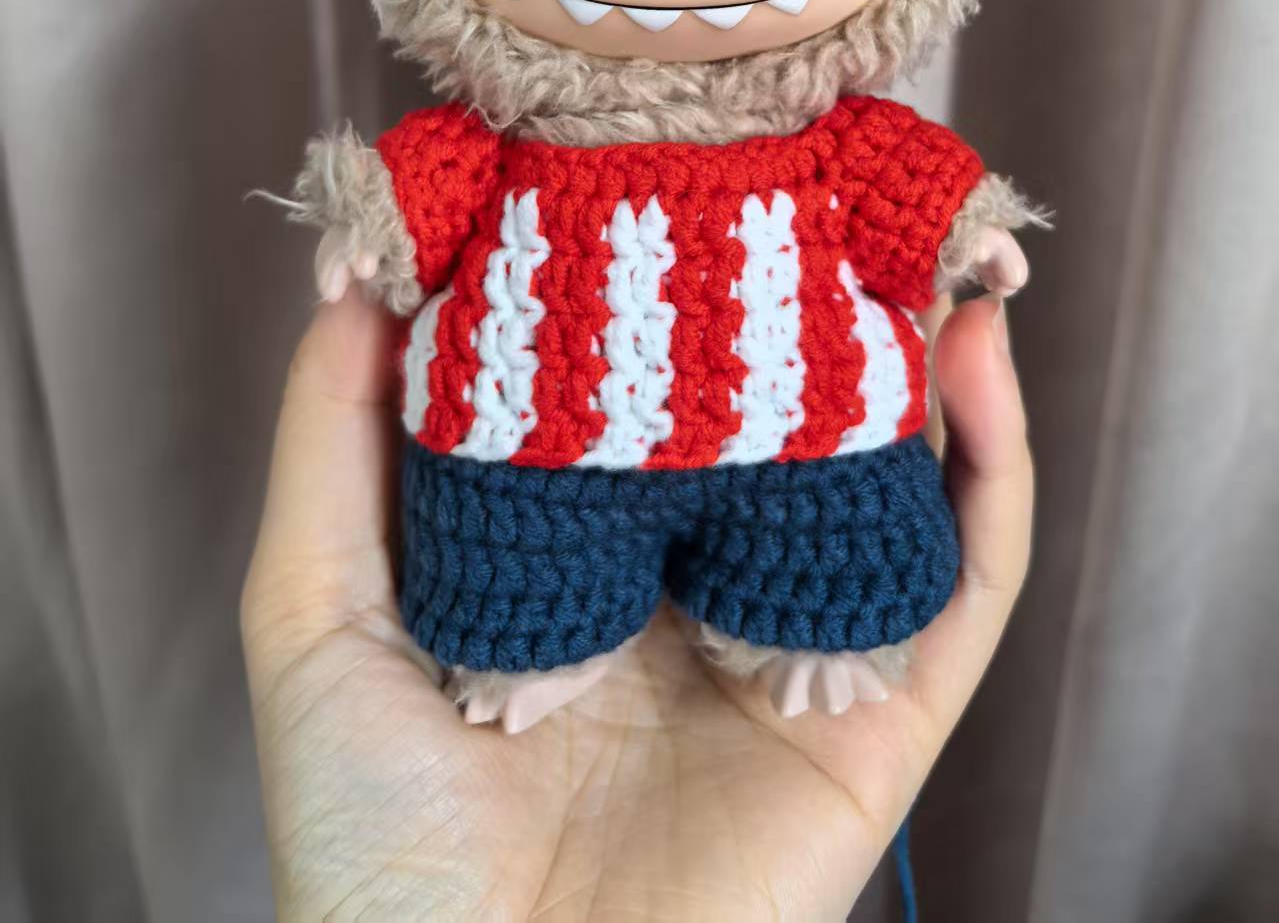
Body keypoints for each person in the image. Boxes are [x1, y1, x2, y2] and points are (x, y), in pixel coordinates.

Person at [241, 286, 1031, 920]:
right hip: (539, 434)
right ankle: (528, 654)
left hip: (796, 428)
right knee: (515, 566)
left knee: (837, 544)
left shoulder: (828, 155)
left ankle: (817, 631)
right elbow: (419, 197)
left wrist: (959, 220)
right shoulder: (488, 157)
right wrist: (378, 216)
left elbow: (905, 195)